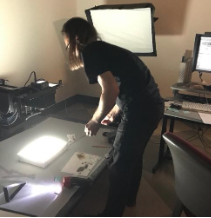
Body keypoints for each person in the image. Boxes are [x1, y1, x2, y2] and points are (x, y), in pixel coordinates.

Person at [62, 17, 164, 217]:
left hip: (141, 110)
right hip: (152, 106)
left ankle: (112, 213)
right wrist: (115, 111)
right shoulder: (104, 49)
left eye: (68, 45)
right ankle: (129, 200)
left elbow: (110, 89)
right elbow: (124, 83)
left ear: (75, 38)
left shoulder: (90, 51)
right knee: (132, 157)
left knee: (119, 163)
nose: (69, 50)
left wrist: (95, 120)